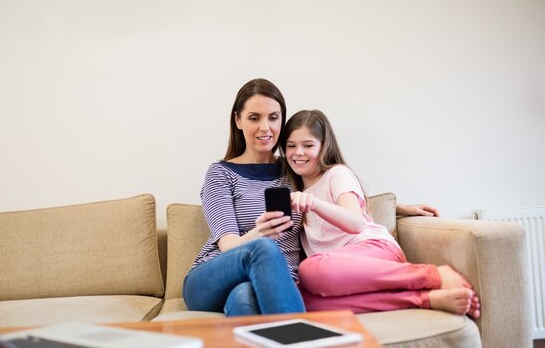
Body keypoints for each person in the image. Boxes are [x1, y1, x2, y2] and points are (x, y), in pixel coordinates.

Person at [280, 109, 480, 318]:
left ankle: (432, 275)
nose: (298, 152)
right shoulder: (297, 192)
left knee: (310, 270)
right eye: (291, 146)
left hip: (374, 250)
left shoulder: (337, 174)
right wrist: (398, 207)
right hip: (342, 272)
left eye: (308, 145)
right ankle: (422, 299)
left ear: (324, 147)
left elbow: (355, 222)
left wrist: (313, 203)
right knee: (300, 299)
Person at [182, 78, 305, 316]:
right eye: (254, 118)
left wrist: (400, 209)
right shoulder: (220, 174)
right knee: (263, 247)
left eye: (273, 117)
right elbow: (227, 245)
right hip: (211, 278)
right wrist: (259, 234)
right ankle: (300, 339)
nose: (265, 128)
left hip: (274, 282)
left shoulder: (296, 169)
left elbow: (340, 193)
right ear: (238, 120)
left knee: (243, 298)